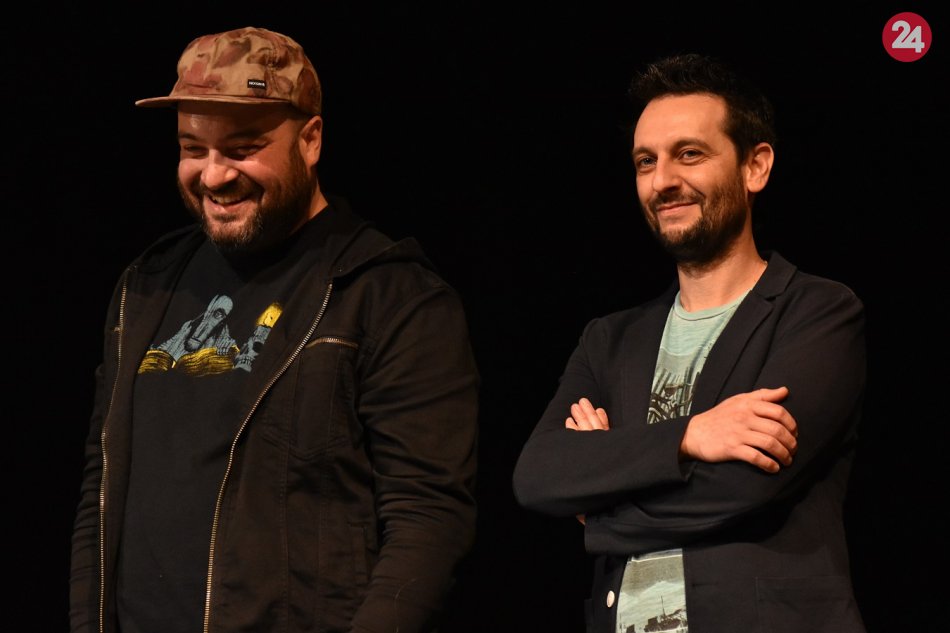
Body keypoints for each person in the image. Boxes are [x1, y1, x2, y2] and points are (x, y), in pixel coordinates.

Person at [69, 26, 479, 633]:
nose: (213, 176)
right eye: (192, 148)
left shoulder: (390, 295)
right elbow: (100, 489)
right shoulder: (145, 285)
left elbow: (428, 516)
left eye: (242, 148)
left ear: (310, 140)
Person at [512, 53, 866, 633]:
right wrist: (690, 436)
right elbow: (538, 475)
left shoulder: (816, 311)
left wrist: (599, 503)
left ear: (756, 166)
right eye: (645, 161)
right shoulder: (610, 338)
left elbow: (744, 484)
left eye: (690, 154)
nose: (663, 181)